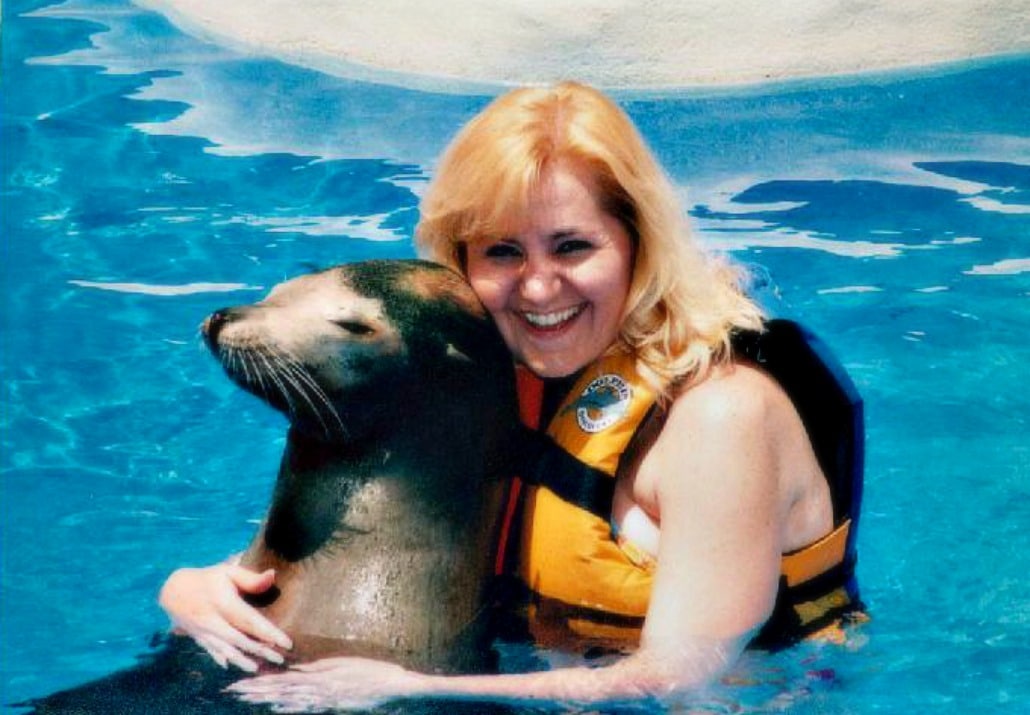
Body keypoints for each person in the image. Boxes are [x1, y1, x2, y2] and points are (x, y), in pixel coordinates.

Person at [160, 81, 863, 710]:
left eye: (572, 247)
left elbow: (682, 676)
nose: (537, 287)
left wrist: (412, 689)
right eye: (502, 251)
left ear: (636, 243)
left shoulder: (720, 414)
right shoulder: (496, 370)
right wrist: (194, 592)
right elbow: (342, 542)